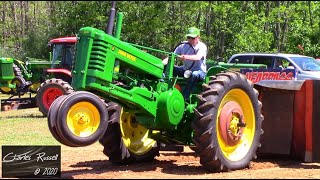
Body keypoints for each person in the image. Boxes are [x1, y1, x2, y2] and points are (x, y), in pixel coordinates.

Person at [163, 27, 207, 100]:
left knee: (194, 74)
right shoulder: (182, 46)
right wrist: (161, 64)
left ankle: (184, 98)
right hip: (185, 70)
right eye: (188, 37)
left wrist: (185, 57)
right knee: (167, 68)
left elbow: (198, 57)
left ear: (198, 37)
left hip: (199, 72)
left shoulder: (202, 46)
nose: (190, 40)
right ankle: (164, 90)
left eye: (192, 38)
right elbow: (172, 57)